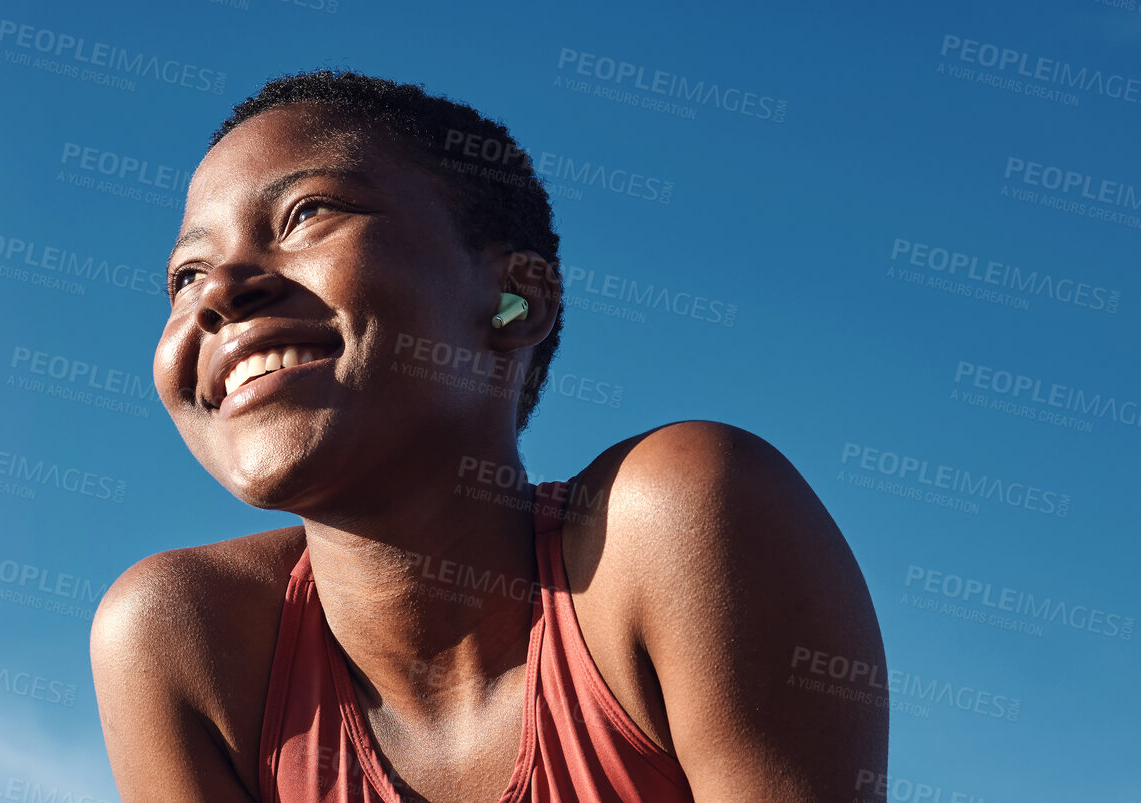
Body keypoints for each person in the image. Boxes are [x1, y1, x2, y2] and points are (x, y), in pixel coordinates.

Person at [90, 71, 886, 802]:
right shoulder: (186, 640)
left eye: (306, 214)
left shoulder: (679, 520)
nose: (220, 292)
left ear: (515, 298)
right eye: (185, 276)